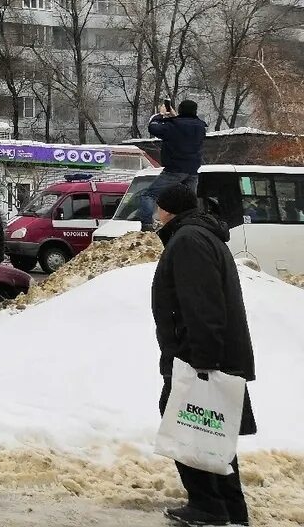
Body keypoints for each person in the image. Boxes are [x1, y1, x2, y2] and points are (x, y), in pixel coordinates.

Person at [152, 184, 255, 527]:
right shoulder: (198, 235)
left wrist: (203, 363)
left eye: (157, 207)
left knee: (187, 426)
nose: (154, 213)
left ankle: (209, 505)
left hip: (200, 358)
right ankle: (228, 507)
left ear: (167, 210)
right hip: (206, 355)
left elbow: (203, 306)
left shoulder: (188, 241)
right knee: (213, 430)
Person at [141, 99, 208, 230]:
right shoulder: (200, 127)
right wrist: (175, 116)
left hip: (174, 170)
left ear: (181, 110)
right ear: (195, 111)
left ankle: (147, 226)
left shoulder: (174, 125)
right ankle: (190, 226)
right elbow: (185, 126)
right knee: (188, 203)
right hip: (193, 171)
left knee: (148, 195)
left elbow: (153, 127)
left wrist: (161, 115)